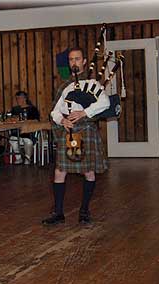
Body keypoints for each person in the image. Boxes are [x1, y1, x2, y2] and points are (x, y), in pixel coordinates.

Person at [41, 47, 110, 226]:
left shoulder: (93, 84)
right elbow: (54, 112)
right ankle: (58, 212)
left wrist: (84, 112)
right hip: (70, 131)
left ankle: (85, 210)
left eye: (77, 59)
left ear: (84, 61)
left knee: (88, 171)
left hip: (86, 130)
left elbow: (105, 103)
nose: (74, 62)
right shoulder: (65, 86)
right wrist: (62, 120)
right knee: (59, 170)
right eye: (71, 59)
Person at [10, 91, 40, 164]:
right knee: (12, 139)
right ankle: (19, 158)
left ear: (25, 98)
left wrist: (27, 121)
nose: (18, 100)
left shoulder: (32, 109)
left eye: (19, 98)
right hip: (17, 131)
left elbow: (36, 120)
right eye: (17, 98)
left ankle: (28, 158)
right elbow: (11, 119)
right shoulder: (15, 109)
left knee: (27, 140)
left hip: (29, 131)